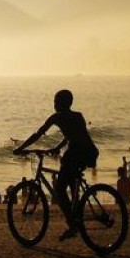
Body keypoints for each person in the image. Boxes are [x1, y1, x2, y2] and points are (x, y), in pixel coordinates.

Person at [13, 89, 99, 241]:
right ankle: (76, 217)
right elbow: (73, 135)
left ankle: (72, 224)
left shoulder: (57, 117)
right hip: (89, 152)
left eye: (55, 102)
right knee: (72, 182)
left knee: (59, 189)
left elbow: (38, 134)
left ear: (60, 103)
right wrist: (58, 148)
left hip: (75, 153)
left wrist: (21, 148)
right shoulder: (78, 116)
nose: (54, 105)